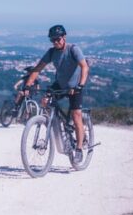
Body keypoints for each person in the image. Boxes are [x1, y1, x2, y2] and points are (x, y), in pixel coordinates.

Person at [24, 24, 90, 164]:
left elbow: (84, 66)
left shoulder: (73, 49)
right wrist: (28, 85)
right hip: (60, 84)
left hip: (75, 86)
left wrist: (80, 85)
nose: (55, 42)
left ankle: (78, 149)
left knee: (76, 114)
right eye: (52, 40)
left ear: (64, 37)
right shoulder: (51, 52)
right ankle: (58, 123)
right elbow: (37, 69)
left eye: (58, 39)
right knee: (45, 101)